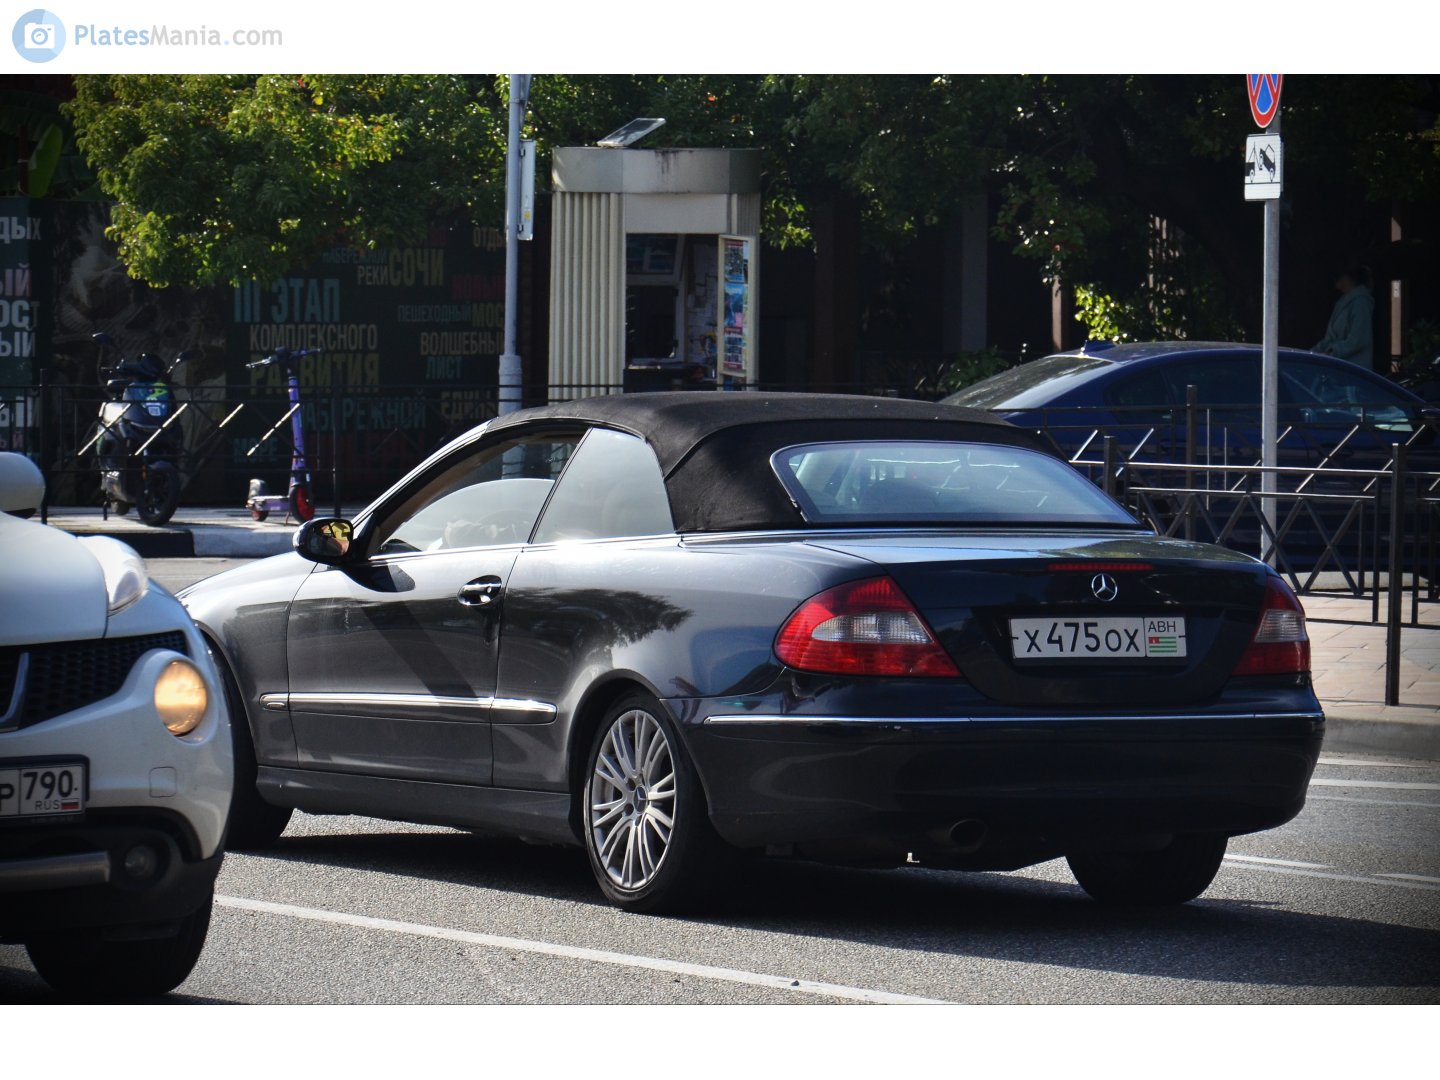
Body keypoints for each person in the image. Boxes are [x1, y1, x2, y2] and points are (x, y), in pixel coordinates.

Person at [1314, 265, 1374, 369]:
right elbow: (1329, 339)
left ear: (1348, 277)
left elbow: (1358, 340)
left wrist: (1331, 353)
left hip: (1354, 372)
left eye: (1337, 275)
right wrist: (1311, 353)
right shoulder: (1341, 303)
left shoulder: (1361, 303)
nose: (1333, 279)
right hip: (1339, 368)